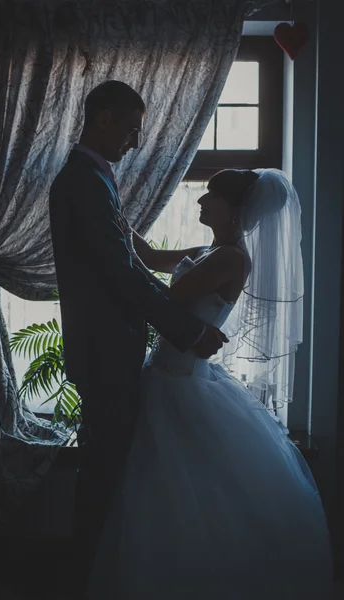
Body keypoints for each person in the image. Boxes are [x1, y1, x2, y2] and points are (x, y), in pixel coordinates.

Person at [86, 168, 334, 599]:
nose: (201, 202)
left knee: (176, 492)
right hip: (167, 374)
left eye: (211, 196)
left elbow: (166, 299)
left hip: (180, 384)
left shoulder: (231, 258)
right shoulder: (209, 250)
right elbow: (147, 258)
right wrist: (113, 219)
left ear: (235, 211)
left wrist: (121, 273)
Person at [48, 81, 228, 594]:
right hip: (105, 354)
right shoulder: (83, 182)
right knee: (103, 473)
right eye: (131, 129)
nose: (134, 142)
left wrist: (179, 314)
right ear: (103, 118)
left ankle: (95, 575)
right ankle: (87, 582)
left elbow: (126, 265)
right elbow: (119, 275)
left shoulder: (93, 180)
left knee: (107, 469)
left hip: (108, 349)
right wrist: (189, 329)